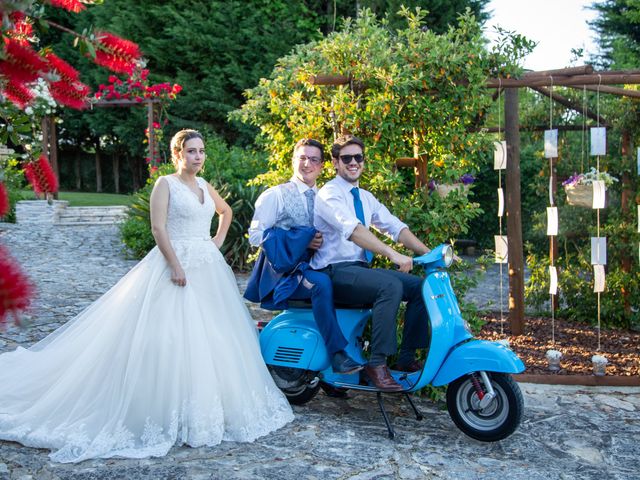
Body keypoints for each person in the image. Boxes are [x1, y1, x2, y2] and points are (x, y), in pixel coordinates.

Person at [0, 129, 293, 463]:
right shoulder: (165, 184)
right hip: (174, 264)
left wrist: (217, 240)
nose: (198, 157)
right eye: (191, 151)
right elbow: (158, 229)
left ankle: (206, 406)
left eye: (201, 151)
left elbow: (225, 212)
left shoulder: (204, 185)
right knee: (168, 336)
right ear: (177, 154)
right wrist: (175, 265)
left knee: (213, 334)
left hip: (207, 266)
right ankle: (160, 406)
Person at [312, 135, 431, 392]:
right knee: (389, 285)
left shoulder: (364, 197)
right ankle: (376, 364)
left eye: (358, 157)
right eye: (346, 158)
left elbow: (395, 227)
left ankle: (406, 357)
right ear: (335, 162)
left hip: (359, 271)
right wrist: (392, 255)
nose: (353, 162)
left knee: (421, 287)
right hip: (335, 271)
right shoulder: (329, 194)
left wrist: (430, 253)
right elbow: (353, 230)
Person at [245, 138, 362, 374]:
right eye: (302, 158)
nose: (307, 164)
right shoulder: (275, 195)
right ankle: (337, 355)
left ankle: (338, 367)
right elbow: (255, 236)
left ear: (321, 166)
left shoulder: (328, 196)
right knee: (321, 284)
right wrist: (300, 240)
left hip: (317, 266)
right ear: (293, 161)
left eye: (314, 159)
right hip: (285, 273)